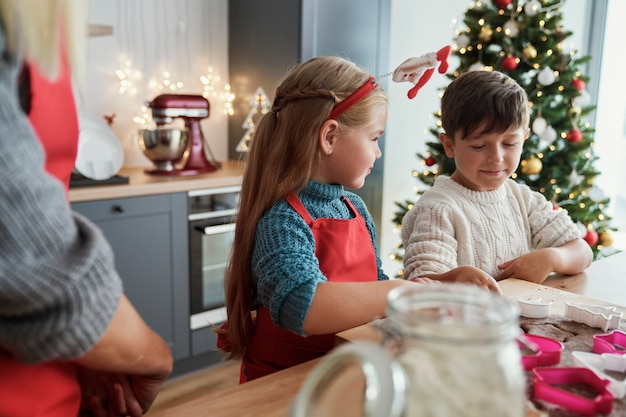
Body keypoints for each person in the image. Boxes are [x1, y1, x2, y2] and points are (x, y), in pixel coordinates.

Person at [0, 1, 173, 416]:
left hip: (58, 384)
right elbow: (32, 257)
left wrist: (89, 350)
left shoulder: (38, 22)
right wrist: (153, 355)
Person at [218, 56, 432, 382]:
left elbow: (373, 285)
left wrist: (433, 287)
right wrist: (398, 293)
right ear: (329, 137)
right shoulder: (282, 221)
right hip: (286, 388)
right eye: (374, 138)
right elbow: (300, 303)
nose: (378, 152)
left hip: (345, 377)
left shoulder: (355, 208)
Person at [401, 70, 593, 287]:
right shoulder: (437, 210)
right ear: (449, 145)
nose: (496, 158)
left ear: (524, 139)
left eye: (509, 143)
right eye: (479, 146)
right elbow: (422, 283)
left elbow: (582, 251)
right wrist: (454, 280)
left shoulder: (523, 199)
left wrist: (551, 258)